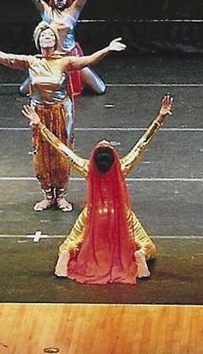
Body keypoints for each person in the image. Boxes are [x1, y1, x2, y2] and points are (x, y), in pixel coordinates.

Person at [0, 25, 125, 211]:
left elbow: (88, 60)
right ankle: (47, 195)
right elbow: (4, 57)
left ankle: (61, 195)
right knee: (41, 155)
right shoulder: (32, 62)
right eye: (43, 35)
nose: (47, 38)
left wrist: (107, 49)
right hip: (39, 114)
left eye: (50, 36)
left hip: (61, 112)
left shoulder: (64, 62)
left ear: (55, 41)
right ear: (38, 40)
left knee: (62, 153)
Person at [22, 95, 173, 284]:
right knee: (148, 246)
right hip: (120, 214)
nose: (104, 140)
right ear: (114, 156)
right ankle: (140, 254)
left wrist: (40, 125)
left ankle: (66, 255)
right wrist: (160, 117)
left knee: (71, 243)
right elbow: (143, 143)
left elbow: (61, 148)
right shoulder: (122, 167)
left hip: (93, 214)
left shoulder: (87, 168)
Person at [5, 0, 106, 95]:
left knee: (100, 89)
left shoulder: (73, 11)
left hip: (71, 58)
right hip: (51, 59)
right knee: (23, 90)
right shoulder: (47, 11)